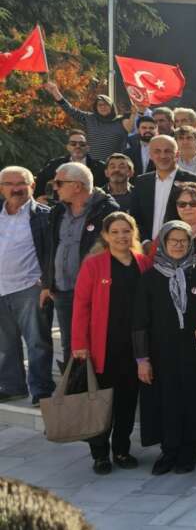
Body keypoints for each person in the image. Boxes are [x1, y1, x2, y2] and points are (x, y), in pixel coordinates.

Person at [134, 221, 196, 475]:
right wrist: (142, 359)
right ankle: (169, 450)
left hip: (194, 351)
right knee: (166, 400)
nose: (179, 245)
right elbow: (140, 320)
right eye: (173, 240)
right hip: (162, 352)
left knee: (192, 398)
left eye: (183, 240)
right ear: (163, 243)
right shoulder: (151, 277)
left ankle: (189, 450)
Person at [70, 212, 151, 474]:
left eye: (126, 231)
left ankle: (122, 449)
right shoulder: (94, 265)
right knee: (101, 403)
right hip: (102, 347)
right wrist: (79, 344)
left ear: (133, 233)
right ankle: (100, 454)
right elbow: (81, 306)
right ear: (105, 236)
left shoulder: (143, 262)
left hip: (134, 348)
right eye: (114, 232)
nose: (121, 236)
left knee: (127, 402)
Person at [42, 162, 120, 370]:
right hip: (63, 290)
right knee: (70, 344)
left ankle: (96, 393)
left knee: (97, 342)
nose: (55, 188)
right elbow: (52, 248)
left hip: (95, 291)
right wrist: (48, 284)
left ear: (77, 186)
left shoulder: (108, 210)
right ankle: (73, 393)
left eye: (59, 183)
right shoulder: (58, 210)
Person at [0, 167, 54, 404]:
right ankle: (13, 387)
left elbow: (53, 252)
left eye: (21, 183)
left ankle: (41, 389)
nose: (15, 188)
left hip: (30, 287)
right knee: (5, 343)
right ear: (2, 188)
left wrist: (47, 283)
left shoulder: (45, 215)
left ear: (32, 186)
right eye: (9, 183)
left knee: (37, 342)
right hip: (1, 288)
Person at [129, 135, 196, 242]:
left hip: (181, 247)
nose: (163, 156)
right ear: (150, 155)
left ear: (177, 154)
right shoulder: (142, 182)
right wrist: (145, 242)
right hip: (146, 249)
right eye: (157, 151)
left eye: (168, 151)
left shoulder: (194, 180)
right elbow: (135, 217)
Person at [43, 81, 129, 162]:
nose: (103, 107)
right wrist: (55, 92)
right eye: (100, 105)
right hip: (93, 165)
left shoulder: (121, 121)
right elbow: (70, 110)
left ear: (112, 107)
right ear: (96, 108)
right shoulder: (90, 119)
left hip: (114, 168)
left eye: (106, 104)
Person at [34, 129, 108, 203]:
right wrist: (38, 197)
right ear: (68, 147)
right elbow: (40, 180)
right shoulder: (55, 164)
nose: (78, 146)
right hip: (62, 208)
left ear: (88, 148)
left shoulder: (100, 167)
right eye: (73, 144)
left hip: (91, 207)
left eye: (82, 144)